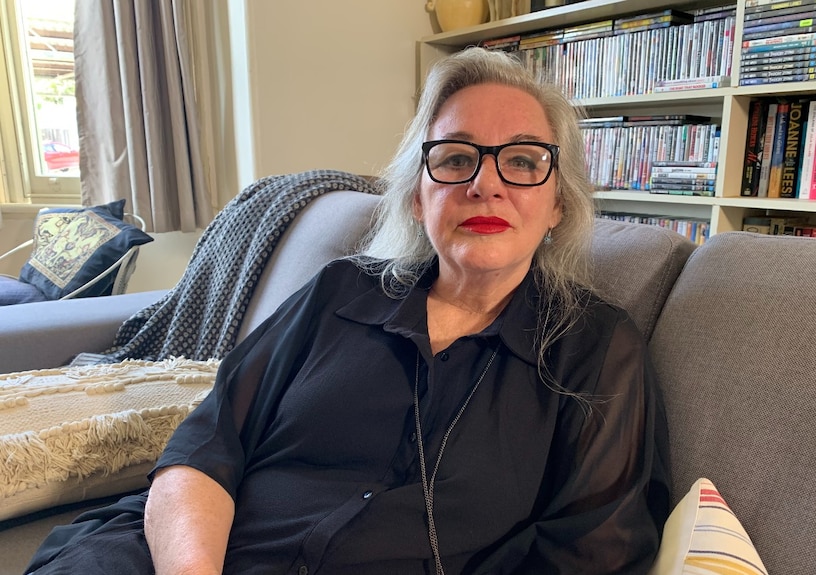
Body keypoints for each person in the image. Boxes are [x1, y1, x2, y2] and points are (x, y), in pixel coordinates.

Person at [26, 46, 669, 575]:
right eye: (455, 158)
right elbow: (205, 446)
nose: (486, 183)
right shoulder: (341, 292)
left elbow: (590, 554)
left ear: (558, 204)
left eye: (524, 160)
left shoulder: (596, 349)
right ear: (419, 198)